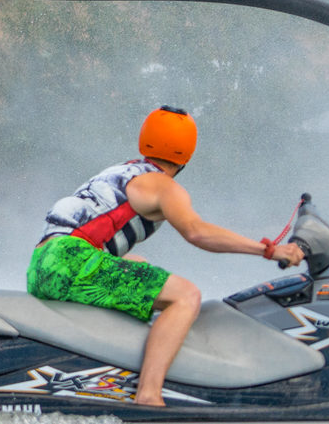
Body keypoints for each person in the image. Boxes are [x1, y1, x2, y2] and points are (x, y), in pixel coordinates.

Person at [27, 106, 305, 407]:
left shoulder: (123, 171)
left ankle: (113, 373)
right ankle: (149, 395)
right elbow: (197, 232)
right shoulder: (163, 186)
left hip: (43, 262)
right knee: (185, 296)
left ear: (145, 140)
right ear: (186, 155)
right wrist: (269, 250)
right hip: (74, 262)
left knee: (139, 266)